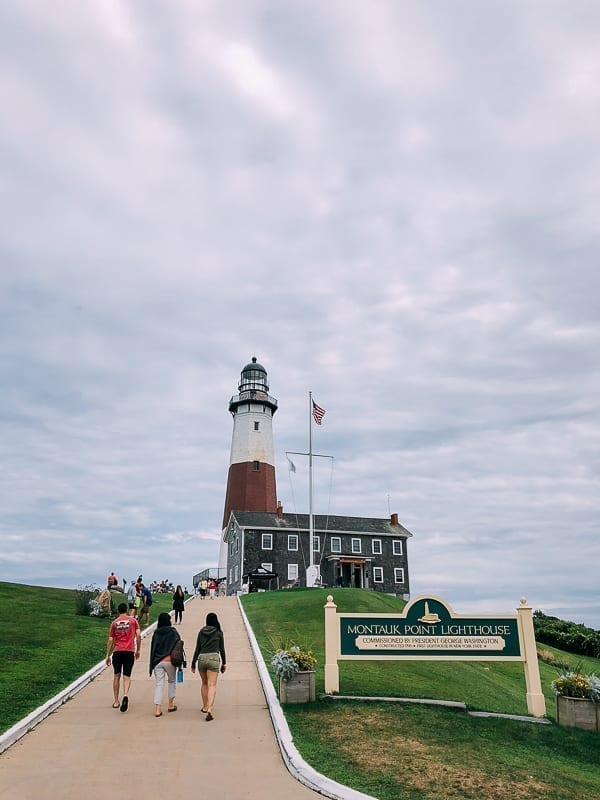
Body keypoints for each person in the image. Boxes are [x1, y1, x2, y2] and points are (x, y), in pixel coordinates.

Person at [191, 611, 226, 721]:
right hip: (213, 658)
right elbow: (222, 649)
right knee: (212, 685)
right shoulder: (218, 632)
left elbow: (197, 648)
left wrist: (193, 663)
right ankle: (210, 708)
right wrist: (224, 663)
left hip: (201, 658)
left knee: (204, 683)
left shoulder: (201, 632)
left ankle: (205, 706)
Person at [106, 602, 141, 712]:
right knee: (127, 676)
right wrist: (138, 649)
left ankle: (116, 701)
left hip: (117, 651)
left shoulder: (114, 623)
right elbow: (138, 635)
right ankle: (125, 694)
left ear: (118, 611)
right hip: (129, 651)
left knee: (116, 675)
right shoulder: (133, 621)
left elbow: (111, 639)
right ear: (126, 610)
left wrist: (107, 655)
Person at [149, 612, 181, 717]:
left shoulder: (156, 633)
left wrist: (152, 664)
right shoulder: (173, 632)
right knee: (171, 681)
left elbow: (153, 649)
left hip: (158, 662)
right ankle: (170, 704)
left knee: (159, 684)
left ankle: (157, 709)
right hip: (169, 661)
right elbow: (178, 645)